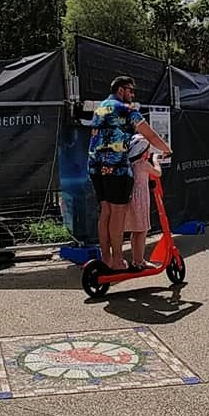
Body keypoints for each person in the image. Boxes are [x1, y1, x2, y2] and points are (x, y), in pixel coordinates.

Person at [88, 75, 171, 271]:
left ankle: (106, 259)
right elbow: (149, 134)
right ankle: (117, 260)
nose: (132, 95)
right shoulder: (126, 110)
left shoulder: (100, 108)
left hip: (95, 165)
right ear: (120, 90)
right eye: (130, 90)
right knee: (117, 212)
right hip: (116, 167)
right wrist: (166, 149)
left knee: (105, 211)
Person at [124, 134, 162, 270]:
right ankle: (139, 261)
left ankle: (137, 259)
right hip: (140, 200)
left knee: (135, 231)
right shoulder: (143, 164)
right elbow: (158, 173)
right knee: (142, 231)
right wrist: (156, 160)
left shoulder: (131, 164)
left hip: (130, 200)